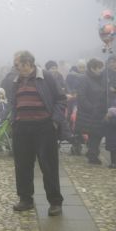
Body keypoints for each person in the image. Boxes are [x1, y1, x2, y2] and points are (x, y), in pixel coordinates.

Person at [9, 51, 68, 216]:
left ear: (27, 63)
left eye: (17, 64)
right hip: (22, 128)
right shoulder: (16, 80)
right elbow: (13, 102)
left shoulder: (46, 77)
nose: (15, 67)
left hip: (44, 128)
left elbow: (61, 99)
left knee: (48, 166)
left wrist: (54, 121)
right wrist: (14, 120)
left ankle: (55, 202)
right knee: (22, 166)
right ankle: (25, 199)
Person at [76, 58, 108, 164]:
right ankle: (93, 154)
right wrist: (91, 108)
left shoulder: (102, 78)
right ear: (92, 68)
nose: (100, 70)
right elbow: (81, 96)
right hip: (89, 112)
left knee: (98, 133)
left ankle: (92, 152)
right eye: (98, 68)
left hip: (101, 111)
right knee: (94, 133)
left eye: (101, 67)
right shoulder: (84, 78)